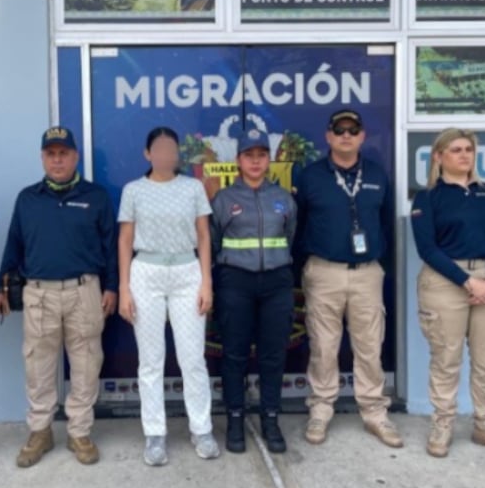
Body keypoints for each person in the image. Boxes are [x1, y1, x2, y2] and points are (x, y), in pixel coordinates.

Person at [0, 126, 118, 467]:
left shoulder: (96, 196)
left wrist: (113, 287)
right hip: (39, 295)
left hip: (85, 292)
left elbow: (110, 246)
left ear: (76, 156)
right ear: (43, 158)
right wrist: (0, 285)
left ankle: (79, 432)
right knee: (38, 365)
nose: (58, 159)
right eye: (51, 153)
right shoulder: (27, 198)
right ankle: (40, 432)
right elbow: (13, 246)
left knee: (86, 362)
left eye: (64, 153)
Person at [295, 109, 402, 448]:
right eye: (338, 129)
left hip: (367, 272)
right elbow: (297, 227)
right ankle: (321, 409)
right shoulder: (310, 176)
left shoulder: (377, 175)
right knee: (323, 346)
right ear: (327, 136)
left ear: (362, 136)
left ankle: (374, 412)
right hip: (323, 272)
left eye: (352, 129)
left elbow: (385, 223)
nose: (345, 135)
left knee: (370, 346)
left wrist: (378, 263)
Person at [411, 128, 485, 458]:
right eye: (456, 149)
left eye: (468, 150)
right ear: (438, 156)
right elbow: (427, 248)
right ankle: (443, 425)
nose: (463, 155)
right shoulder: (428, 197)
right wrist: (466, 281)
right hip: (446, 282)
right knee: (446, 359)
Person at [117, 127, 219, 466]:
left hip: (187, 272)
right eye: (158, 149)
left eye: (171, 149)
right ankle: (155, 434)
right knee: (150, 361)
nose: (165, 154)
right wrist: (124, 289)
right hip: (145, 273)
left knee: (193, 359)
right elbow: (125, 241)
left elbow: (204, 236)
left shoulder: (192, 188)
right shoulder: (134, 190)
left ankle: (201, 429)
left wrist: (206, 283)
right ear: (148, 154)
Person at [210, 128, 297, 454]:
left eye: (262, 155)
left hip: (277, 282)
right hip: (236, 281)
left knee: (273, 355)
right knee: (234, 354)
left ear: (269, 159)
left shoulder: (283, 198)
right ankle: (235, 418)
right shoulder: (223, 199)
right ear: (238, 161)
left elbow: (290, 236)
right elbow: (214, 240)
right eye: (250, 155)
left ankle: (270, 418)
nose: (256, 161)